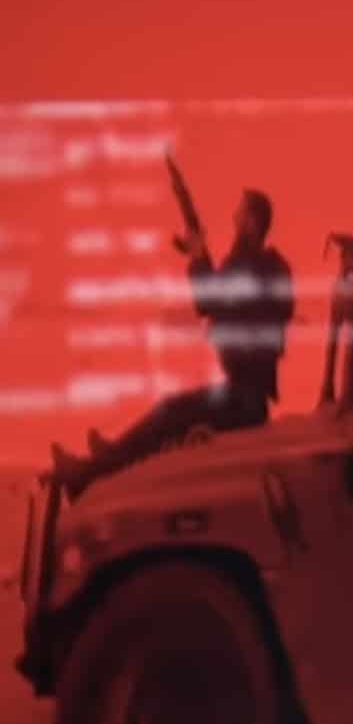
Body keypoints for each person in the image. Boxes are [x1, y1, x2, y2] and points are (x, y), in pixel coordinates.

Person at [54, 189, 293, 500]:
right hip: (246, 397)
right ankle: (109, 458)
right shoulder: (263, 267)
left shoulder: (252, 266)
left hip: (244, 401)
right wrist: (199, 256)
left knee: (170, 413)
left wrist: (198, 255)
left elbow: (208, 300)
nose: (233, 220)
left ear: (252, 221)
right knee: (172, 413)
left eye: (240, 214)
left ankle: (91, 472)